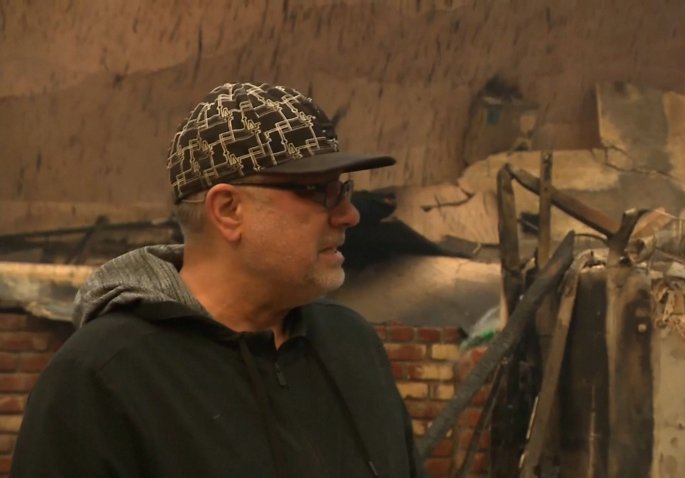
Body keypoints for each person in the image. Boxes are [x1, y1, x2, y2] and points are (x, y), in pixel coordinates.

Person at [11, 82, 427, 477]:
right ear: (228, 210)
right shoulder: (100, 378)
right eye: (319, 191)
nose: (349, 215)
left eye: (345, 190)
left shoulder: (351, 344)